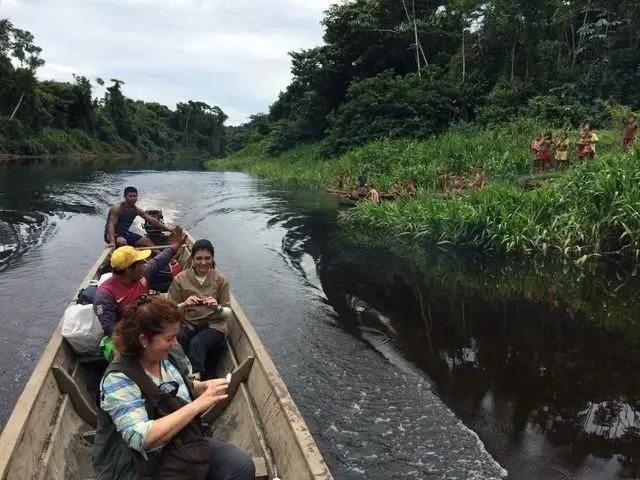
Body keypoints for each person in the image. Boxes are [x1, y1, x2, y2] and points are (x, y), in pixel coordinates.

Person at [92, 295, 255, 480]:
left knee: (241, 467)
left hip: (180, 442)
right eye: (169, 338)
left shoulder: (167, 357)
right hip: (138, 463)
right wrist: (198, 405)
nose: (175, 343)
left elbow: (175, 388)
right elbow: (140, 438)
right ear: (144, 340)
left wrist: (202, 387)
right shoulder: (118, 378)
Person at [94, 227, 188, 360]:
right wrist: (141, 339)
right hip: (123, 336)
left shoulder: (141, 275)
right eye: (140, 263)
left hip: (148, 326)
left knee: (177, 339)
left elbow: (160, 260)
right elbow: (111, 328)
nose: (145, 265)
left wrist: (177, 244)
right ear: (128, 270)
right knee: (122, 355)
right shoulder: (105, 294)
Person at [168, 240, 232, 381]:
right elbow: (169, 311)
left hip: (214, 325)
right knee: (179, 338)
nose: (203, 262)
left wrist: (217, 307)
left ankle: (196, 380)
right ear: (192, 258)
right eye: (199, 258)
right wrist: (184, 304)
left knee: (198, 343)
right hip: (188, 324)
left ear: (212, 258)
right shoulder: (180, 279)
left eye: (207, 258)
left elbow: (228, 312)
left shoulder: (220, 279)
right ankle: (181, 373)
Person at [105, 186, 177, 248]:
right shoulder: (117, 208)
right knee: (122, 242)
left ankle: (161, 256)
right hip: (112, 235)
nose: (132, 198)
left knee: (147, 241)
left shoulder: (136, 210)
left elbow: (152, 220)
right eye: (130, 196)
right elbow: (111, 225)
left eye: (134, 196)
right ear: (125, 197)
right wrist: (112, 242)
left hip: (125, 233)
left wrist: (167, 228)